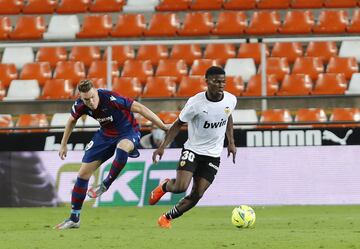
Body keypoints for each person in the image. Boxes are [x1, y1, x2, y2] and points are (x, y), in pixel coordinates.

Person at [54, 79, 168, 229]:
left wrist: (163, 126)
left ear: (95, 91)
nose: (91, 102)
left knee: (122, 147)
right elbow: (71, 121)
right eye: (86, 99)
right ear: (81, 98)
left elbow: (139, 108)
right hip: (105, 135)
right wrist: (63, 144)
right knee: (82, 175)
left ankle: (106, 184)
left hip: (128, 131)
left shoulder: (110, 98)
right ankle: (74, 218)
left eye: (92, 97)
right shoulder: (80, 105)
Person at [149, 66, 237, 228]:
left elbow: (227, 115)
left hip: (213, 155)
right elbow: (177, 124)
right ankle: (165, 186)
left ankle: (166, 217)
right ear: (207, 82)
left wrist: (231, 142)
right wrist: (162, 147)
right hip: (193, 151)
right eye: (216, 81)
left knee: (197, 194)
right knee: (180, 187)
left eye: (223, 82)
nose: (221, 85)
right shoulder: (195, 103)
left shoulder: (230, 99)